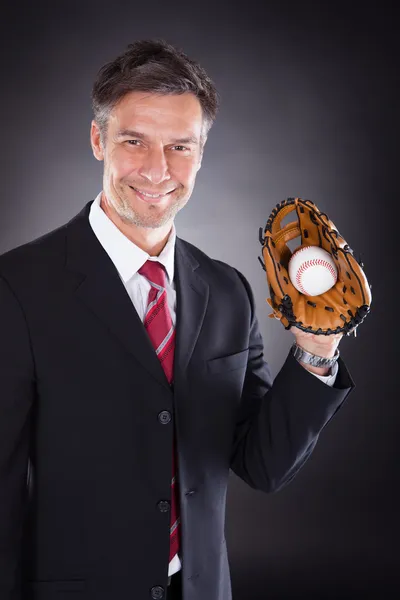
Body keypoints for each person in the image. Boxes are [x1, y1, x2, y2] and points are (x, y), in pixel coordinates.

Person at [0, 39, 354, 600]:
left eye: (180, 147)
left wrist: (317, 349)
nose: (157, 170)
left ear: (201, 153)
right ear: (98, 140)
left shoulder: (227, 290)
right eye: (134, 140)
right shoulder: (16, 288)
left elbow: (261, 465)